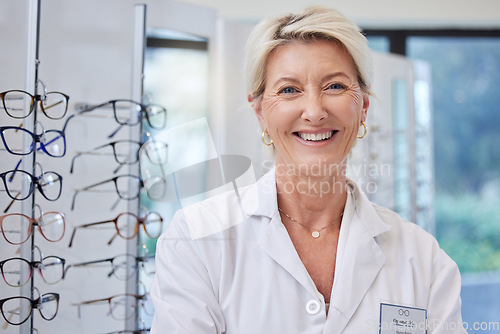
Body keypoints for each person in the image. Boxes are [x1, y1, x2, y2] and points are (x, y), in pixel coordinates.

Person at [150, 6, 465, 333]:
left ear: (363, 108)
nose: (315, 112)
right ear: (260, 112)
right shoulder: (196, 240)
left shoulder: (423, 259)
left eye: (335, 87)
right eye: (289, 90)